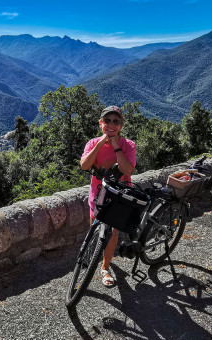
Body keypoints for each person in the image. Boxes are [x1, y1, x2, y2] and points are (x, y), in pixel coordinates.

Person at [79, 105, 136, 287]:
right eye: (107, 121)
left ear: (121, 126)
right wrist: (100, 144)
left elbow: (127, 169)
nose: (111, 124)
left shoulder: (128, 145)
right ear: (100, 123)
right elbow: (85, 166)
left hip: (119, 194)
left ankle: (105, 267)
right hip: (98, 192)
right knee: (95, 229)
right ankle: (93, 255)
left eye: (116, 121)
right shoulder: (92, 143)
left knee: (112, 234)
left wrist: (116, 147)